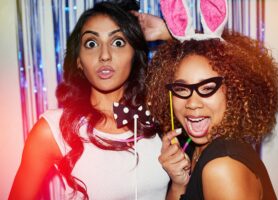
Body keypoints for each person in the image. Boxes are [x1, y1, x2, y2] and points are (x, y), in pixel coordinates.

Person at [9, 1, 171, 199]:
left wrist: (166, 31)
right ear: (78, 60)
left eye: (118, 42)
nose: (104, 55)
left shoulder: (157, 116)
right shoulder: (53, 130)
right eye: (91, 44)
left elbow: (217, 64)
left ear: (135, 56)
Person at [145, 1, 278, 197]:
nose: (192, 103)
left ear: (234, 91)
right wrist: (179, 184)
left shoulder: (222, 166)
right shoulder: (197, 148)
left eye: (208, 88)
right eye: (182, 88)